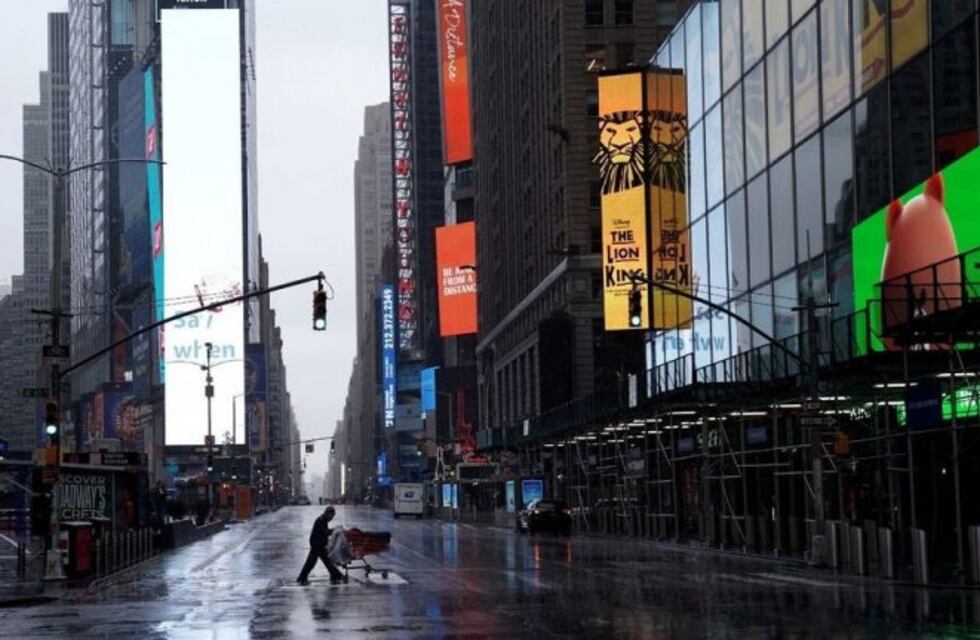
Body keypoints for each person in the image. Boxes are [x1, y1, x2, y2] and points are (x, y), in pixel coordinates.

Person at [297, 505, 345, 584]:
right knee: (314, 562)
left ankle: (335, 575)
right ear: (327, 513)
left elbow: (324, 532)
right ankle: (336, 575)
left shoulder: (323, 520)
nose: (331, 518)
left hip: (319, 545)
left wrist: (332, 531)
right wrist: (334, 530)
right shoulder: (320, 520)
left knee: (323, 561)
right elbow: (324, 532)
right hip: (317, 545)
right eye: (331, 516)